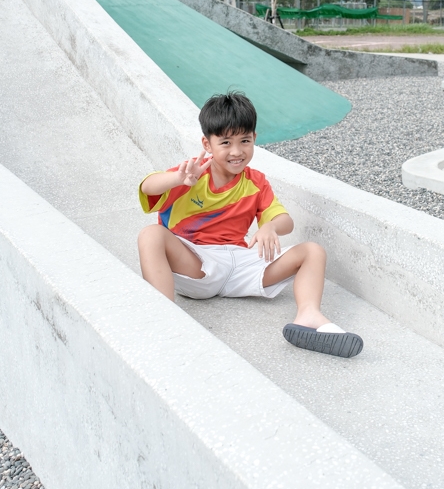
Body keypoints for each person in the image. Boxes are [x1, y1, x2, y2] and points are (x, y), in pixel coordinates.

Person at [137, 92, 363, 358]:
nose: (237, 151)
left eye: (244, 140)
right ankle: (166, 320)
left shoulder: (255, 182)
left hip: (240, 266)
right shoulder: (191, 174)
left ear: (254, 138)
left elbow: (285, 221)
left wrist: (269, 227)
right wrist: (177, 179)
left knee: (313, 251)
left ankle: (309, 317)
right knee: (151, 235)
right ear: (207, 144)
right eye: (225, 142)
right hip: (197, 264)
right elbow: (147, 187)